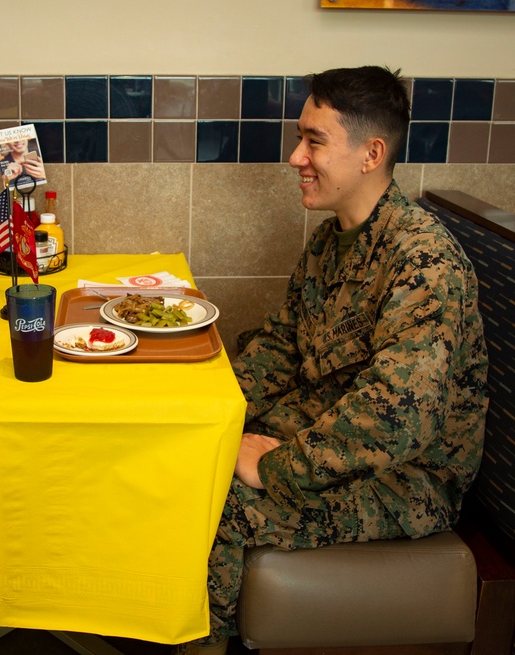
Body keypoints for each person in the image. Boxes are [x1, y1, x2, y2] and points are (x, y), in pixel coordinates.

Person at [180, 65, 489, 654]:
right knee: (185, 461)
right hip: (327, 438)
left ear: (371, 154)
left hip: (407, 480)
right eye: (302, 137)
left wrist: (276, 468)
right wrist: (204, 415)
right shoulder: (329, 244)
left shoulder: (424, 263)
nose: (296, 156)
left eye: (314, 141)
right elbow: (277, 350)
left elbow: (398, 419)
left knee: (218, 507)